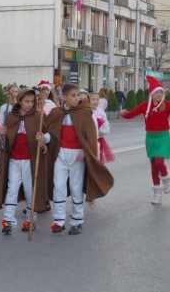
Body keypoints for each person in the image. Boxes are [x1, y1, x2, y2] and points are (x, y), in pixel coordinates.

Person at [47, 83, 114, 235]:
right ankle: (58, 220)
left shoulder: (84, 112)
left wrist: (86, 150)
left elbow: (91, 135)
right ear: (64, 97)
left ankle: (77, 220)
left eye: (78, 95)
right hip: (61, 153)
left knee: (76, 188)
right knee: (58, 185)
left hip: (77, 154)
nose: (77, 98)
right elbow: (51, 133)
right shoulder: (56, 112)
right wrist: (43, 139)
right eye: (73, 95)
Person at [0, 89, 49, 234]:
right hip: (14, 159)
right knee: (12, 189)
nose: (29, 104)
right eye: (27, 101)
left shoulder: (38, 117)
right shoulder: (10, 117)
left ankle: (30, 220)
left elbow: (47, 135)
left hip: (30, 161)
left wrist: (43, 141)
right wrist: (2, 135)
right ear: (19, 101)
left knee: (29, 190)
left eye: (32, 101)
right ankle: (8, 220)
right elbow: (5, 141)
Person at [120, 76, 170, 205]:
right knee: (153, 165)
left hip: (163, 137)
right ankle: (157, 193)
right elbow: (132, 114)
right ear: (151, 94)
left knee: (159, 161)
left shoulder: (167, 105)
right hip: (150, 137)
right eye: (156, 92)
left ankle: (166, 179)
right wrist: (123, 114)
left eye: (161, 92)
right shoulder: (145, 106)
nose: (159, 95)